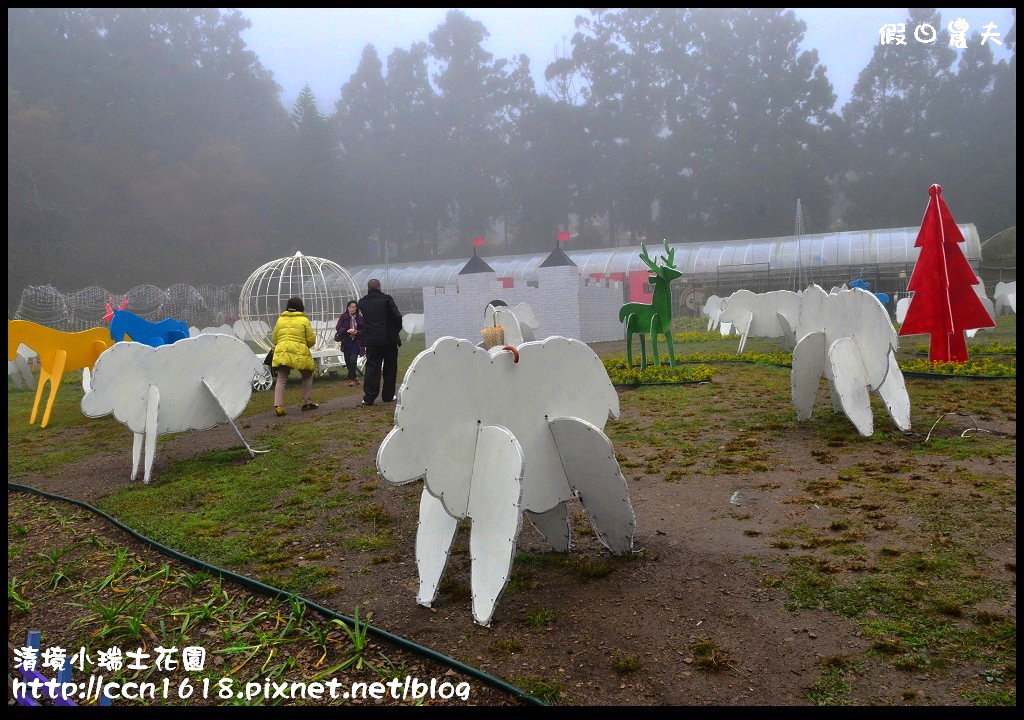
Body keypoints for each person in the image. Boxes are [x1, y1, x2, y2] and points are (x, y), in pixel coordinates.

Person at [357, 278, 402, 406]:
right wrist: (395, 330)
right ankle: (388, 395)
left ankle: (369, 397)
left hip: (371, 340)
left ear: (368, 287)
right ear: (379, 287)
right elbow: (397, 317)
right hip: (388, 339)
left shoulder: (362, 302)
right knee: (390, 367)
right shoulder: (387, 299)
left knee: (372, 367)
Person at [270, 296, 318, 416]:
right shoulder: (304, 320)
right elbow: (311, 340)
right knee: (307, 376)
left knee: (281, 379)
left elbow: (274, 338)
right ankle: (307, 402)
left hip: (282, 351)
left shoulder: (280, 320)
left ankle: (279, 406)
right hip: (299, 352)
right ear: (301, 307)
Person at [335, 300, 365, 387]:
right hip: (346, 341)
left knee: (353, 360)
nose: (351, 309)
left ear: (356, 308)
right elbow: (338, 327)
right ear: (347, 308)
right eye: (350, 307)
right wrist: (346, 331)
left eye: (353, 307)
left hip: (356, 342)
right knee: (348, 361)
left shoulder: (360, 317)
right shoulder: (343, 317)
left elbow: (364, 330)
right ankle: (354, 377)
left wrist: (357, 332)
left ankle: (350, 379)